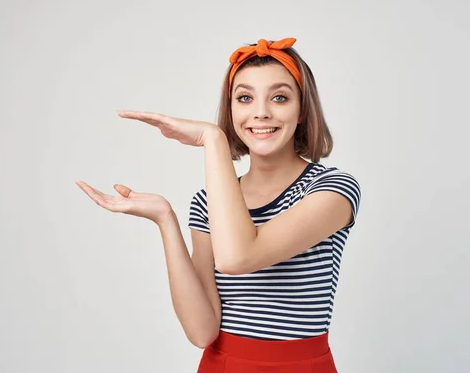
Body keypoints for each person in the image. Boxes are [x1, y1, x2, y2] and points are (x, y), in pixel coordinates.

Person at [76, 37, 361, 373]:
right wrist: (166, 220)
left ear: (302, 112)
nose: (261, 112)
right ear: (231, 110)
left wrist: (213, 139)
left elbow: (240, 256)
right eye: (244, 98)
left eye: (280, 97)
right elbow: (202, 331)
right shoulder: (206, 203)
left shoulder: (332, 188)